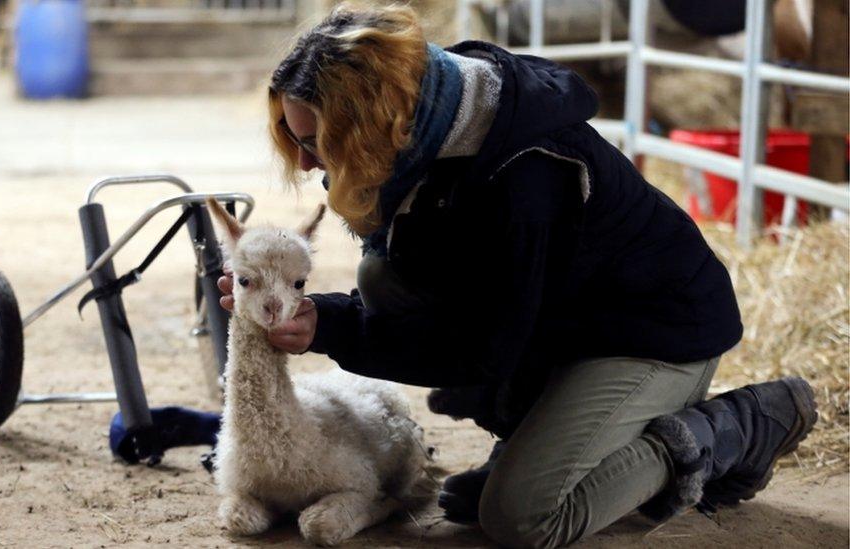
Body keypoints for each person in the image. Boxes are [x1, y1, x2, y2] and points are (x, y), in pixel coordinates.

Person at [216, 4, 818, 547]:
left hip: (653, 335)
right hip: (565, 320)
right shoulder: (425, 132)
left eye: (316, 139)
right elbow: (453, 302)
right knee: (384, 282)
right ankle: (541, 438)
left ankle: (732, 428)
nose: (304, 160)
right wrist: (327, 315)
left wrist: (332, 330)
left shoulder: (525, 173)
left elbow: (484, 345)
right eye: (296, 140)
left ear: (370, 118)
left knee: (524, 517)